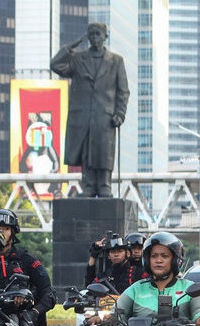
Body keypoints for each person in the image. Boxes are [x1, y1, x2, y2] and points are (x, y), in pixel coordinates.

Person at [50, 22, 130, 198]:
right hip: (83, 115)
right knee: (86, 152)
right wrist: (69, 48)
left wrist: (120, 113)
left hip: (105, 116)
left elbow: (123, 91)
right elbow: (56, 65)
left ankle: (104, 185)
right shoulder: (78, 59)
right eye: (91, 34)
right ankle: (88, 185)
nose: (94, 38)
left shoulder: (116, 61)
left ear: (104, 36)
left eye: (98, 34)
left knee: (104, 151)